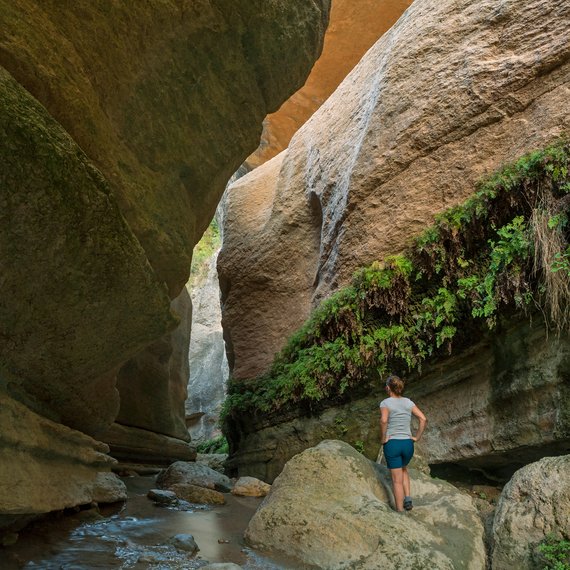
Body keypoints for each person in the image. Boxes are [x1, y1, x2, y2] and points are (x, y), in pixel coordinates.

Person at [379, 374, 427, 512]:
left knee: (396, 481)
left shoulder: (385, 403)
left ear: (388, 388)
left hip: (393, 444)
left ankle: (400, 512)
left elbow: (383, 421)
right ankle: (408, 498)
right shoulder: (408, 402)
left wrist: (383, 438)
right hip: (407, 444)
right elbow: (423, 419)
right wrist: (416, 437)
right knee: (403, 468)